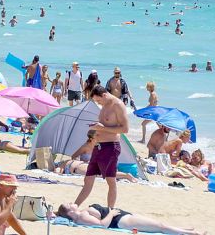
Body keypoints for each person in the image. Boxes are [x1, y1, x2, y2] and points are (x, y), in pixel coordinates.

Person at [74, 86, 129, 209]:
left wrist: (101, 128)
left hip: (110, 147)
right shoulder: (105, 105)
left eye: (98, 101)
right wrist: (96, 127)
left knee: (111, 181)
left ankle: (110, 211)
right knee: (87, 179)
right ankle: (75, 206)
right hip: (98, 147)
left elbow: (125, 129)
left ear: (104, 95)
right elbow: (105, 124)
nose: (98, 103)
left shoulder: (118, 105)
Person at [55, 203, 202, 234]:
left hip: (122, 216)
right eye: (69, 204)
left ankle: (183, 230)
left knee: (159, 224)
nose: (71, 202)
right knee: (159, 226)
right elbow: (101, 225)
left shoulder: (81, 212)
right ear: (70, 212)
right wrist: (112, 214)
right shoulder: (81, 216)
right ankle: (190, 234)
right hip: (121, 221)